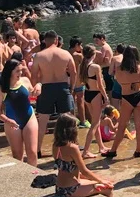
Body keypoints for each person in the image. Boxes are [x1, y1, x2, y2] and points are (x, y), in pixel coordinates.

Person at [32, 30, 77, 158]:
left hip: (46, 88)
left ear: (44, 41)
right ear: (56, 40)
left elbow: (33, 75)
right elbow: (74, 73)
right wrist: (72, 88)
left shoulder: (39, 56)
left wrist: (36, 87)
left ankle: (38, 151)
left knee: (42, 123)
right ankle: (69, 148)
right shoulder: (65, 53)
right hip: (62, 87)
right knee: (67, 121)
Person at [51, 114, 114, 197]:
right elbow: (84, 171)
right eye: (75, 127)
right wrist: (102, 181)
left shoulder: (55, 145)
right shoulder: (72, 148)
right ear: (71, 130)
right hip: (70, 190)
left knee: (97, 181)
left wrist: (98, 179)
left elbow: (67, 170)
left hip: (59, 188)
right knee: (108, 188)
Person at [104, 45, 140, 159]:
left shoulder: (119, 70)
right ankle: (138, 151)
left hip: (126, 97)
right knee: (139, 125)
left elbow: (118, 81)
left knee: (122, 125)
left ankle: (113, 150)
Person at [0, 54, 39, 167]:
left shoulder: (25, 81)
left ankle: (33, 174)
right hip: (11, 121)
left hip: (29, 118)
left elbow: (32, 97)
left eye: (21, 70)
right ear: (9, 72)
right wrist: (7, 120)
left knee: (32, 153)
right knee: (17, 155)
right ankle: (21, 175)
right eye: (17, 71)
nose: (20, 73)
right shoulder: (1, 88)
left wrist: (39, 86)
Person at [80, 45, 110, 157]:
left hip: (87, 94)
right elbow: (100, 85)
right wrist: (106, 97)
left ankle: (101, 146)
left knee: (95, 122)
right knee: (95, 124)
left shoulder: (81, 66)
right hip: (95, 95)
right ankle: (86, 151)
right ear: (93, 55)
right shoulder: (95, 67)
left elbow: (80, 81)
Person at [66, 36, 86, 126]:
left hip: (68, 80)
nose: (81, 47)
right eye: (80, 45)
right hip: (78, 81)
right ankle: (83, 121)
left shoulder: (65, 54)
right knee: (80, 102)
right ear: (77, 45)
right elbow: (84, 68)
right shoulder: (78, 56)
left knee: (71, 102)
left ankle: (72, 121)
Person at [108, 43, 125, 110]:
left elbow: (110, 72)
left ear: (117, 50)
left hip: (117, 81)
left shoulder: (115, 58)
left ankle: (117, 116)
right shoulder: (128, 58)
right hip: (126, 82)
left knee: (115, 103)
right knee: (125, 105)